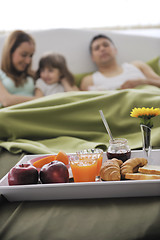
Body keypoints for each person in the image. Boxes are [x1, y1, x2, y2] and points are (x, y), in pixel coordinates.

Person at [80, 34, 160, 91]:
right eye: (97, 48)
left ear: (115, 50)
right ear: (92, 57)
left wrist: (143, 82)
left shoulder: (137, 65)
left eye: (106, 45)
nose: (102, 49)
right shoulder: (88, 80)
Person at [0, 30, 38, 107]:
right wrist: (37, 99)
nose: (28, 61)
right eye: (24, 55)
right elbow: (6, 101)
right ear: (10, 51)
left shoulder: (33, 75)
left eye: (31, 56)